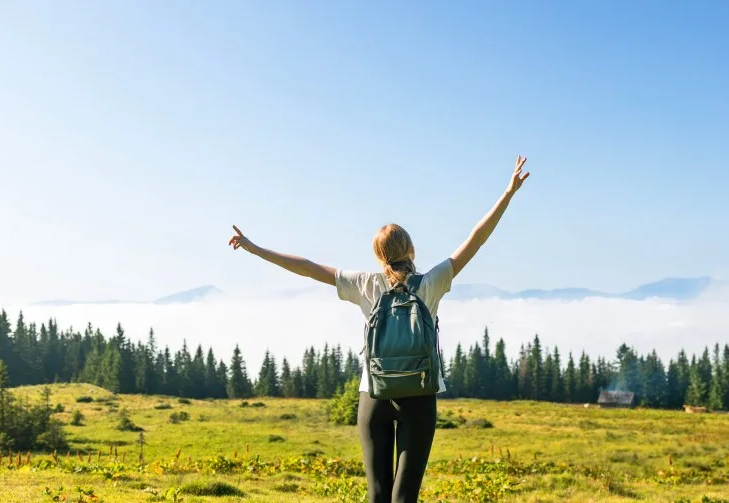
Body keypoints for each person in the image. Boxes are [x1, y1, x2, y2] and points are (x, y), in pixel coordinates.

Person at [228, 155, 531, 503]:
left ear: (379, 257)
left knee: (377, 495)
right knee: (405, 498)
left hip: (373, 394)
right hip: (419, 394)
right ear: (412, 250)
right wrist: (507, 193)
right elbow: (475, 239)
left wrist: (254, 248)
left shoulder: (365, 284)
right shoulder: (431, 282)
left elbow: (309, 267)